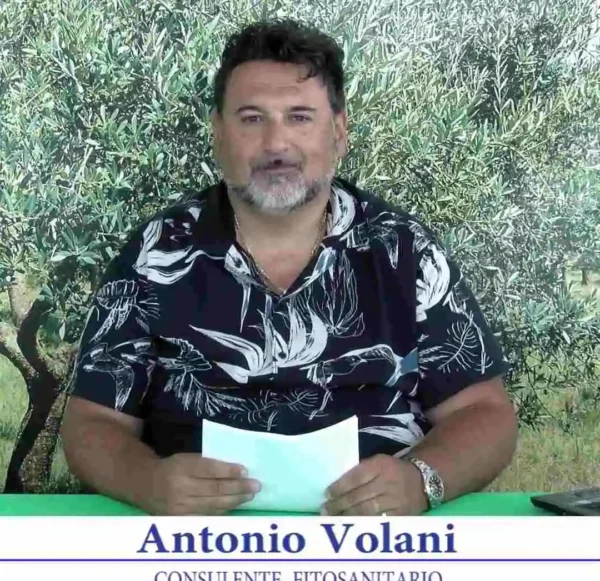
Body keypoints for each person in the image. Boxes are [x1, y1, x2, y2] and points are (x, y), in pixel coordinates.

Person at [61, 18, 518, 517]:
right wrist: (146, 481)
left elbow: (485, 413)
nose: (276, 145)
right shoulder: (157, 253)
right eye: (251, 119)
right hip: (197, 543)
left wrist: (421, 481)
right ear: (218, 133)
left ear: (339, 132)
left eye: (299, 117)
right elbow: (91, 423)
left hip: (376, 539)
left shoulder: (404, 252)